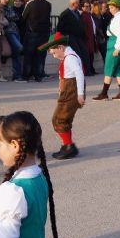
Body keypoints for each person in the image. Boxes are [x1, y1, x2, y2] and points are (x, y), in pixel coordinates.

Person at [38, 32, 85, 160]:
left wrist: (80, 94)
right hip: (67, 91)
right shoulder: (68, 56)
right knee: (63, 119)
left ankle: (69, 146)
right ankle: (68, 145)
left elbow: (79, 74)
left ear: (60, 47)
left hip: (70, 93)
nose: (53, 56)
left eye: (53, 53)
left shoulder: (70, 58)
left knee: (59, 119)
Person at [92, 0, 120, 101]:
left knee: (108, 69)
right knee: (119, 69)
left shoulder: (118, 19)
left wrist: (118, 48)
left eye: (112, 7)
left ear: (118, 7)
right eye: (109, 7)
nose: (110, 9)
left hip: (116, 43)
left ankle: (104, 93)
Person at [21, 0, 51, 82]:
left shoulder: (30, 4)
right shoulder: (48, 4)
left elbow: (23, 17)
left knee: (29, 55)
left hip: (32, 33)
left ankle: (26, 76)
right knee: (41, 55)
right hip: (44, 34)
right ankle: (38, 76)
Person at [56, 0, 89, 74]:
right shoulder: (65, 14)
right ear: (73, 4)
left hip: (79, 37)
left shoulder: (77, 13)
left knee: (85, 52)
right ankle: (77, 71)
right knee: (77, 53)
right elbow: (60, 27)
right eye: (78, 3)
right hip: (70, 37)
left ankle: (86, 71)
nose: (79, 5)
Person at [0, 0, 26, 82]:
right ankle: (17, 75)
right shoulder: (0, 8)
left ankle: (17, 76)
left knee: (16, 53)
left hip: (16, 31)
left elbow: (15, 17)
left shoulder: (9, 7)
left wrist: (10, 17)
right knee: (19, 47)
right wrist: (11, 17)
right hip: (9, 32)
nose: (7, 0)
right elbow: (10, 17)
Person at [79, 0, 97, 75]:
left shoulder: (89, 15)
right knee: (87, 56)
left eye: (89, 6)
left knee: (91, 55)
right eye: (86, 6)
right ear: (82, 7)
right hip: (86, 38)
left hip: (91, 37)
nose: (88, 8)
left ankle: (91, 69)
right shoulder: (83, 15)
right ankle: (87, 71)